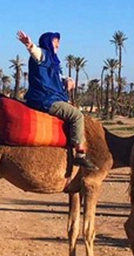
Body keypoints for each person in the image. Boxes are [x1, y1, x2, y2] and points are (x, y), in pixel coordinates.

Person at [16, 30, 96, 170]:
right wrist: (29, 44)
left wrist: (68, 80)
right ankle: (80, 154)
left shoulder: (53, 63)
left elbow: (58, 78)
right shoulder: (43, 55)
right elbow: (36, 52)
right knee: (77, 115)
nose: (58, 46)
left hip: (50, 98)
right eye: (55, 43)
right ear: (48, 43)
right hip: (46, 99)